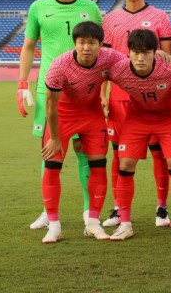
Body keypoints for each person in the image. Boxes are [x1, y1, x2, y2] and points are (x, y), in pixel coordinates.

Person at [18, 0, 102, 230]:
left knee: (83, 150)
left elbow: (103, 49)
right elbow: (29, 45)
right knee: (49, 150)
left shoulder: (90, 8)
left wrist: (104, 90)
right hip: (49, 91)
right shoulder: (38, 7)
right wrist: (22, 83)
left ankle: (90, 211)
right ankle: (48, 209)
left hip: (85, 94)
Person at [100, 0, 171, 228]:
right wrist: (103, 95)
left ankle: (162, 208)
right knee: (119, 154)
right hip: (120, 96)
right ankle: (119, 209)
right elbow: (104, 64)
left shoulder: (160, 17)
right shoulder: (110, 20)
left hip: (153, 97)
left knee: (159, 153)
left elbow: (167, 58)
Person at [40, 21, 125, 243]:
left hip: (92, 116)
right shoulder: (60, 66)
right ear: (75, 43)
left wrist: (163, 58)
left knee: (98, 167)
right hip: (62, 117)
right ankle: (54, 226)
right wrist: (55, 138)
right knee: (52, 167)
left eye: (92, 43)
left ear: (100, 45)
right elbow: (51, 103)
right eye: (81, 42)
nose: (86, 47)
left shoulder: (111, 57)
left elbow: (135, 65)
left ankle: (93, 223)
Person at [106, 29, 171, 241]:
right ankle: (125, 224)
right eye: (135, 52)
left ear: (155, 52)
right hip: (137, 120)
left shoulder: (170, 68)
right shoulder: (118, 70)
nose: (140, 58)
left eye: (146, 53)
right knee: (124, 166)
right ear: (128, 52)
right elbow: (96, 70)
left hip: (168, 118)